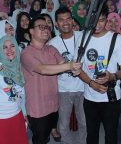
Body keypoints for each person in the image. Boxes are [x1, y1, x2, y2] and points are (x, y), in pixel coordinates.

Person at [21, 16, 82, 144]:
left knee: (47, 135)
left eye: (47, 27)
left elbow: (63, 64)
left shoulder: (51, 49)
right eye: (41, 27)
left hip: (53, 103)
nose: (46, 30)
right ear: (31, 31)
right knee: (40, 138)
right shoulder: (26, 53)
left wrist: (73, 68)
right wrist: (69, 66)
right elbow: (42, 69)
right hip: (37, 107)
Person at [76, 6, 121, 144]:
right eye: (94, 20)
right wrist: (91, 83)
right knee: (91, 135)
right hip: (89, 96)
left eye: (101, 20)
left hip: (111, 97)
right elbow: (78, 69)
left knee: (111, 135)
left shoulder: (117, 39)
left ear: (106, 19)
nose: (97, 25)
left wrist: (112, 76)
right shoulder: (82, 38)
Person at [48, 8, 86, 144]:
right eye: (61, 20)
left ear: (73, 20)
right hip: (63, 89)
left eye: (68, 18)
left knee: (84, 123)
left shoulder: (83, 36)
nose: (65, 22)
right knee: (63, 125)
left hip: (83, 87)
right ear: (56, 24)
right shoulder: (52, 44)